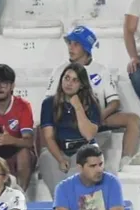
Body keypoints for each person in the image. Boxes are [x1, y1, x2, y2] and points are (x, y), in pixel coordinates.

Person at [48, 26, 140, 170]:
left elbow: (114, 102)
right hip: (69, 118)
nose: (70, 47)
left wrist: (99, 116)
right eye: (70, 43)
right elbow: (49, 101)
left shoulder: (101, 70)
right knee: (41, 127)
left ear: (86, 47)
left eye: (76, 44)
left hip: (98, 117)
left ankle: (125, 162)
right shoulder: (60, 70)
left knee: (133, 119)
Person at [39, 65, 103, 195]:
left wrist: (78, 106)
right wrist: (60, 159)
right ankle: (60, 203)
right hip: (59, 150)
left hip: (84, 148)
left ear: (82, 85)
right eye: (67, 78)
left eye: (75, 80)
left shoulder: (92, 102)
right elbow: (48, 137)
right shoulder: (49, 103)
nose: (69, 83)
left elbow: (89, 134)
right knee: (46, 157)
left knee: (90, 161)